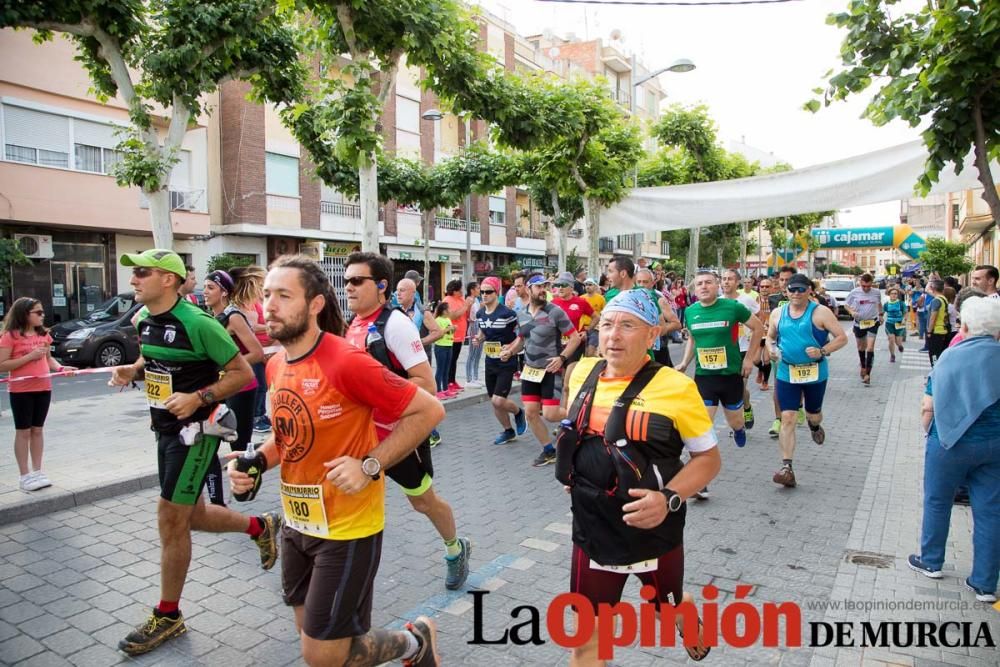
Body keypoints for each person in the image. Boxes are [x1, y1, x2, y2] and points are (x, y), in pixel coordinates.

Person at [228, 254, 446, 666]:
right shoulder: (276, 365)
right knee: (316, 639)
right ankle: (416, 644)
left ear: (314, 305)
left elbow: (429, 410)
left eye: (284, 296)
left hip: (347, 529)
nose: (269, 306)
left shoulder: (344, 360)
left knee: (321, 654)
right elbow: (288, 437)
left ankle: (414, 642)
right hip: (296, 522)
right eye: (268, 295)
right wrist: (255, 461)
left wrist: (370, 465)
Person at [109, 249, 277, 656]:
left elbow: (241, 372)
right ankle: (260, 527)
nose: (133, 280)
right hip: (164, 431)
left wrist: (199, 396)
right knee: (193, 515)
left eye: (142, 273)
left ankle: (168, 615)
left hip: (196, 435)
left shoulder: (199, 323)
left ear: (167, 279)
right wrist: (132, 370)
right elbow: (154, 359)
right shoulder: (146, 320)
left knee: (171, 519)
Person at [559, 289, 719, 664]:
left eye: (627, 325)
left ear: (651, 336)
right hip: (593, 526)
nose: (613, 335)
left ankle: (685, 608)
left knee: (667, 608)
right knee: (587, 639)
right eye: (607, 325)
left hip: (654, 531)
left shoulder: (677, 387)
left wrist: (669, 498)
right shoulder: (583, 371)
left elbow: (708, 460)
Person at [343, 253, 471, 590]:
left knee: (422, 501)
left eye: (358, 281)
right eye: (346, 281)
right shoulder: (353, 325)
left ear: (382, 286)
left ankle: (455, 548)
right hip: (360, 436)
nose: (349, 287)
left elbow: (426, 385)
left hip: (397, 435)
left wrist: (373, 395)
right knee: (349, 496)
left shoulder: (394, 324)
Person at [907, 297, 1000, 604]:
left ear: (967, 324)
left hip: (950, 441)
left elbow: (928, 404)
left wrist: (928, 433)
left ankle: (932, 562)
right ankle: (985, 583)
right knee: (990, 511)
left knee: (937, 500)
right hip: (995, 443)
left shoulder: (951, 356)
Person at [766, 274, 848, 488]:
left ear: (809, 291)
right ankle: (787, 467)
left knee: (813, 414)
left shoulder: (820, 312)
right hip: (787, 372)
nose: (796, 293)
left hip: (815, 372)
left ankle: (814, 425)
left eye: (801, 289)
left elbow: (842, 337)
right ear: (786, 291)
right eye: (792, 289)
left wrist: (822, 350)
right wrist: (771, 349)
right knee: (788, 417)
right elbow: (770, 337)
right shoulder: (778, 313)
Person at [676, 271, 763, 456]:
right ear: (694, 290)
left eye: (708, 282)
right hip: (704, 376)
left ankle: (739, 430)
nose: (704, 287)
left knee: (736, 421)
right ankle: (701, 467)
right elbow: (692, 339)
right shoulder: (691, 312)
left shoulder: (732, 307)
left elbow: (758, 328)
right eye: (699, 284)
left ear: (717, 286)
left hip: (730, 375)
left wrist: (748, 358)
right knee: (703, 424)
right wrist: (684, 363)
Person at [501, 274, 580, 467]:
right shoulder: (522, 314)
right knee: (530, 413)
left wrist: (561, 358)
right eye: (538, 286)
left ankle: (580, 416)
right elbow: (522, 340)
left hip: (550, 370)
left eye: (544, 286)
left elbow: (575, 338)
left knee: (552, 414)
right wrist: (510, 352)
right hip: (530, 370)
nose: (542, 289)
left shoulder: (555, 312)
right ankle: (548, 450)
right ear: (528, 289)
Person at [201, 269, 264, 505]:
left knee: (239, 447)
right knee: (207, 443)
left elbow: (256, 353)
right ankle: (217, 501)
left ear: (224, 292)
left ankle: (245, 490)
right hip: (219, 389)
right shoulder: (209, 318)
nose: (205, 292)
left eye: (210, 288)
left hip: (242, 389)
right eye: (205, 287)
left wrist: (231, 367)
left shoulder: (234, 316)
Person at [0, 297, 75, 492]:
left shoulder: (44, 335)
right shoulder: (10, 336)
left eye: (43, 312)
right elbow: (2, 365)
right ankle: (24, 475)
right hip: (21, 390)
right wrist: (29, 357)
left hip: (43, 387)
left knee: (38, 430)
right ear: (25, 314)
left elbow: (50, 360)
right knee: (23, 431)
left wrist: (60, 369)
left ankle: (38, 471)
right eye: (38, 313)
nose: (43, 316)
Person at [475, 276, 527, 445]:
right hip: (490, 361)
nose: (484, 295)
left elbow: (521, 336)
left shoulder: (508, 314)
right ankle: (508, 431)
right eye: (482, 292)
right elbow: (484, 333)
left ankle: (519, 412)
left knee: (499, 400)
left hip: (507, 360)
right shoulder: (480, 313)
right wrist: (478, 339)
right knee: (495, 402)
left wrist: (510, 349)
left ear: (496, 293)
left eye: (488, 292)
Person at [229, 265, 273, 435]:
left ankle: (256, 415)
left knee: (260, 386)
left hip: (259, 350)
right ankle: (256, 416)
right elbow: (250, 328)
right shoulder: (238, 309)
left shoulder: (254, 303)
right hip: (251, 352)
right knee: (257, 385)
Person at [722, 269, 764, 428]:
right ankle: (745, 406)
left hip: (743, 348)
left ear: (737, 282)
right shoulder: (718, 300)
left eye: (730, 279)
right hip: (726, 349)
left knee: (740, 386)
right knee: (731, 388)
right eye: (724, 279)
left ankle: (743, 412)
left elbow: (760, 316)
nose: (726, 282)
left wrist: (753, 333)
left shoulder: (746, 300)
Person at [551, 271, 594, 386]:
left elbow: (596, 317)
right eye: (558, 285)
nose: (560, 288)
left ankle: (567, 403)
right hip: (558, 346)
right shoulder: (553, 303)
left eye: (563, 285)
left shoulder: (580, 302)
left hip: (575, 345)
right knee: (561, 380)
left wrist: (587, 332)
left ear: (571, 287)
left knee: (567, 384)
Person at [635, 267, 682, 367]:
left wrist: (658, 331)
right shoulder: (631, 298)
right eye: (639, 282)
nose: (641, 285)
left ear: (652, 283)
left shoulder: (659, 299)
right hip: (639, 348)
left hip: (658, 349)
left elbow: (676, 324)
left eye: (645, 282)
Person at [844, 273, 883, 385]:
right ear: (860, 283)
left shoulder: (876, 292)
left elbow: (879, 304)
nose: (866, 289)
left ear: (872, 284)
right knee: (861, 347)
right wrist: (851, 312)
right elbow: (846, 305)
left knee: (870, 347)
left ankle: (867, 374)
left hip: (872, 322)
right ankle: (863, 365)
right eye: (864, 286)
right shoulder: (855, 292)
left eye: (868, 286)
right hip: (859, 323)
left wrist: (880, 315)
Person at [443, 279, 472, 393]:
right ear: (454, 291)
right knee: (450, 360)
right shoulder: (448, 301)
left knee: (454, 359)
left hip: (460, 335)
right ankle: (448, 382)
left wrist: (469, 305)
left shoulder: (460, 299)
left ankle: (453, 380)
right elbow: (452, 316)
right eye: (460, 289)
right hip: (451, 336)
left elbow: (465, 313)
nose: (462, 291)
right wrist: (465, 306)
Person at [924, 279, 953, 366]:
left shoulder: (936, 301)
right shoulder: (943, 299)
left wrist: (929, 331)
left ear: (932, 288)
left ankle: (935, 372)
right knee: (940, 354)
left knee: (934, 355)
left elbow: (933, 317)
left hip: (935, 331)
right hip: (943, 330)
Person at [754, 277, 774, 391]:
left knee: (766, 359)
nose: (764, 289)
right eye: (762, 286)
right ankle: (761, 369)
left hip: (770, 334)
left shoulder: (775, 301)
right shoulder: (754, 300)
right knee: (756, 360)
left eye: (767, 286)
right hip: (757, 333)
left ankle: (765, 382)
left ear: (771, 288)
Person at [432, 302, 455, 396]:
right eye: (448, 309)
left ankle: (445, 389)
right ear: (444, 311)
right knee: (440, 369)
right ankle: (438, 390)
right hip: (440, 346)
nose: (450, 311)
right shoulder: (438, 320)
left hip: (449, 345)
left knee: (447, 369)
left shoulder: (448, 319)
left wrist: (454, 329)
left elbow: (450, 331)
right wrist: (448, 329)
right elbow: (439, 333)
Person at [464, 282, 483, 387]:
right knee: (472, 353)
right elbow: (467, 315)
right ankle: (468, 379)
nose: (480, 290)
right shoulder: (469, 300)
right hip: (473, 326)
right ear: (472, 290)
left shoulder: (477, 300)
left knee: (478, 353)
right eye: (478, 288)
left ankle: (475, 377)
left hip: (479, 324)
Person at [582, 277, 606, 356]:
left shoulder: (601, 298)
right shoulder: (581, 298)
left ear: (595, 286)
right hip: (583, 328)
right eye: (586, 285)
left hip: (595, 328)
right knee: (585, 353)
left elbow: (604, 313)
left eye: (590, 285)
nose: (587, 287)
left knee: (590, 351)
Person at [883, 286, 907, 363]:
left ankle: (900, 346)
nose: (894, 295)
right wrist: (880, 318)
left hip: (899, 323)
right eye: (892, 293)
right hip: (889, 324)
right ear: (889, 295)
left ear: (897, 295)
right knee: (891, 340)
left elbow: (906, 312)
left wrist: (904, 319)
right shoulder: (886, 304)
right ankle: (892, 355)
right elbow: (882, 313)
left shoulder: (901, 303)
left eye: (895, 294)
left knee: (898, 341)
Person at [911, 280, 929, 346]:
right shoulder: (931, 294)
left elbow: (919, 301)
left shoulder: (923, 293)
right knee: (925, 324)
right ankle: (923, 336)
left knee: (922, 323)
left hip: (921, 309)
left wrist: (917, 305)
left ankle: (921, 335)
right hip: (926, 309)